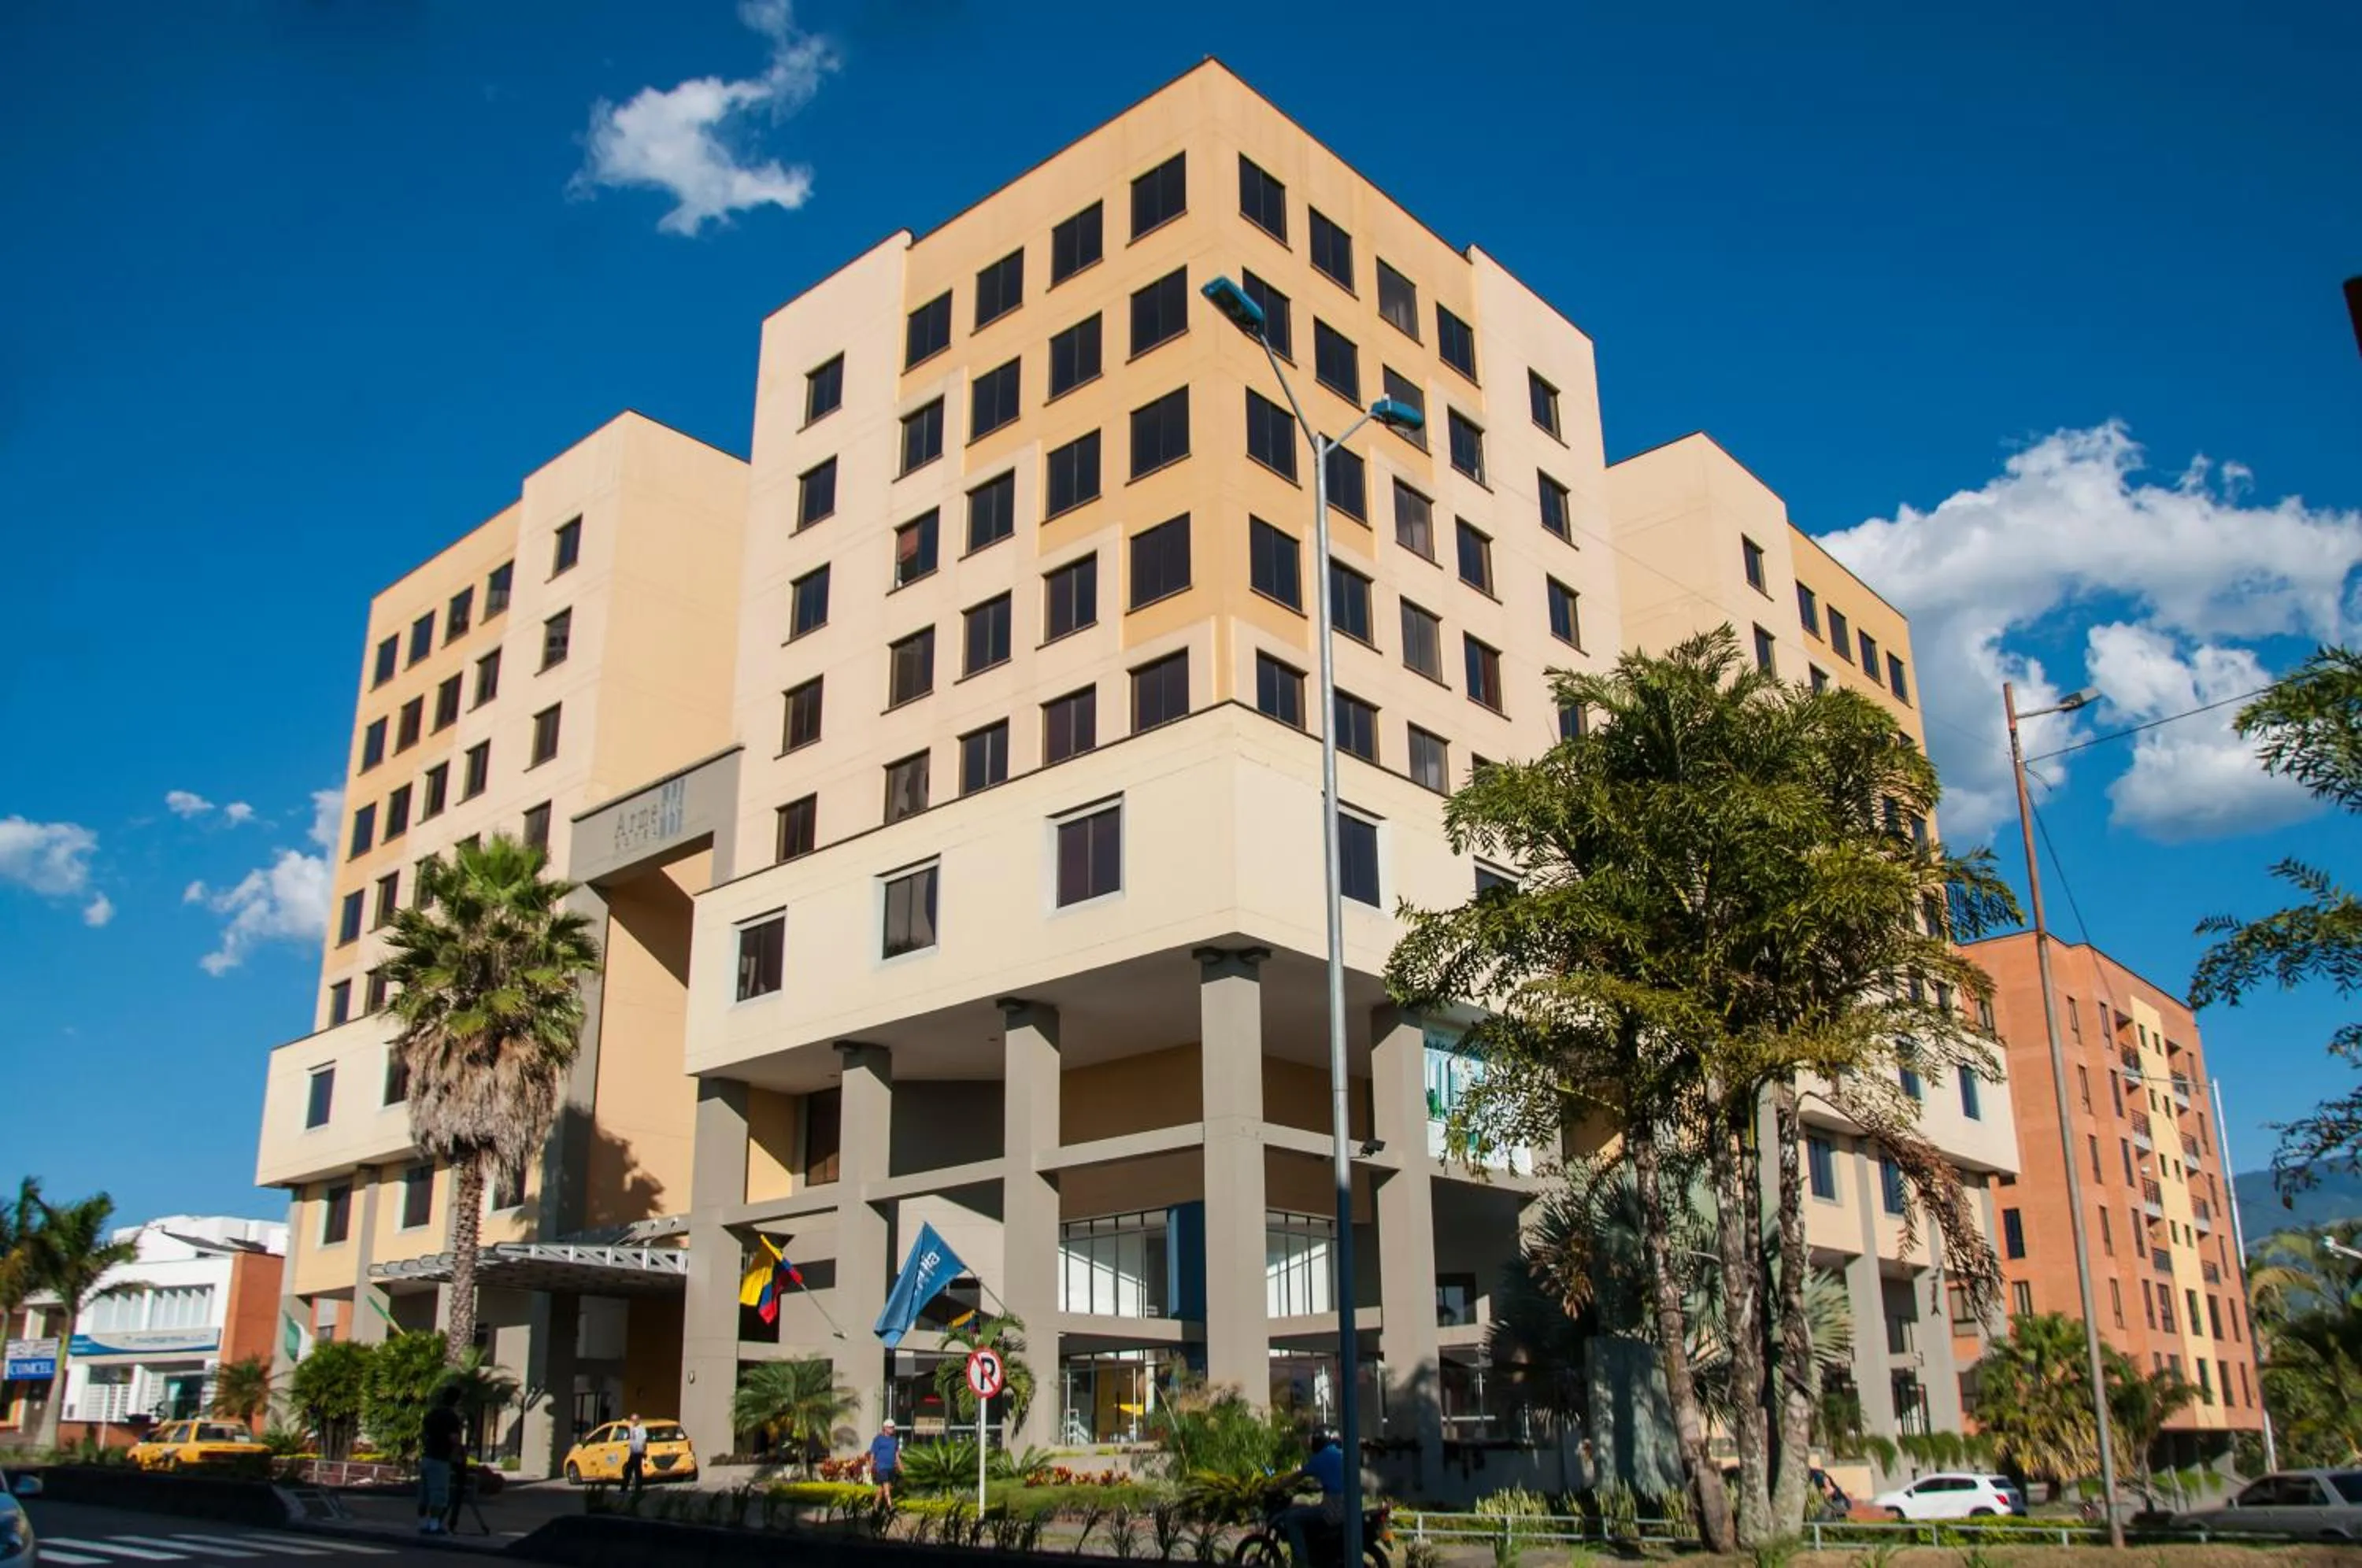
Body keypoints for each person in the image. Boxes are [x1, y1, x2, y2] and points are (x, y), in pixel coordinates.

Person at [1279, 1427, 1347, 1568]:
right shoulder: (1340, 1452)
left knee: (1291, 1518)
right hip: (1349, 1505)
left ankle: (1301, 1562)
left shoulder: (1320, 1457)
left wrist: (1277, 1486)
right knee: (1309, 1507)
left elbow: (1298, 1476)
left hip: (1334, 1509)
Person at [418, 1386, 464, 1536]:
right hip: (441, 1459)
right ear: (457, 1401)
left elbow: (423, 1435)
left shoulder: (432, 1414)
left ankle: (423, 1523)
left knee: (425, 1492)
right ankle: (434, 1525)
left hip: (427, 1456)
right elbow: (454, 1439)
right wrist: (455, 1456)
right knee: (439, 1493)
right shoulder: (451, 1417)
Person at [868, 1418, 901, 1506]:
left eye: (893, 1427)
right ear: (885, 1428)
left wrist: (901, 1468)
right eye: (890, 1427)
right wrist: (871, 1467)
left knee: (881, 1489)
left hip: (891, 1468)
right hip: (881, 1467)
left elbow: (897, 1456)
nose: (892, 1429)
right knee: (886, 1488)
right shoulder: (878, 1439)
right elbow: (873, 1453)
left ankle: (875, 1507)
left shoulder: (895, 1440)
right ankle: (890, 1504)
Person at [621, 1413, 649, 1493]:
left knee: (637, 1471)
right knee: (628, 1470)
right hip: (633, 1452)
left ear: (638, 1420)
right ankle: (624, 1488)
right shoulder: (631, 1427)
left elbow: (644, 1440)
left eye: (634, 1420)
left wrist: (644, 1451)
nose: (633, 1421)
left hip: (638, 1452)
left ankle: (638, 1488)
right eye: (632, 1420)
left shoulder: (642, 1428)